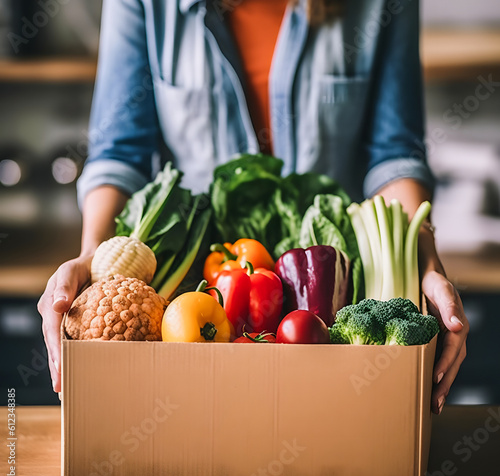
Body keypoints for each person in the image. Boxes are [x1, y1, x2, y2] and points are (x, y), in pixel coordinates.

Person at [38, 0, 468, 414]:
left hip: (335, 291)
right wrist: (92, 256)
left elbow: (393, 155)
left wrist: (426, 262)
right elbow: (121, 155)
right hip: (195, 293)